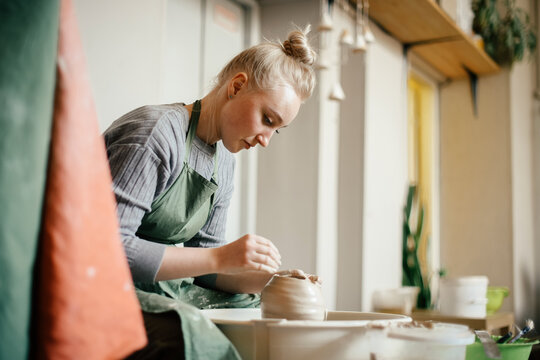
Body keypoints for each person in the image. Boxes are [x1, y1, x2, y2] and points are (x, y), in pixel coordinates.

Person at [103, 25, 317, 359]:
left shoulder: (224, 162)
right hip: (100, 283)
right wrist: (223, 257)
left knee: (259, 311)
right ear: (237, 86)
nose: (265, 140)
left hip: (151, 285)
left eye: (277, 130)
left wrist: (270, 281)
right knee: (193, 329)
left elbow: (204, 268)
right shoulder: (157, 134)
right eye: (266, 119)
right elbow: (110, 250)